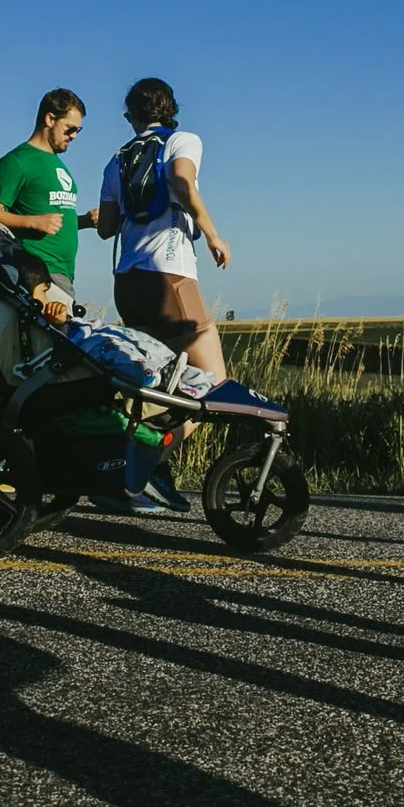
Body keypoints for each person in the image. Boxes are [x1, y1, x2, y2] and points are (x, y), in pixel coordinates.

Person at [96, 78, 228, 513]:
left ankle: (121, 463)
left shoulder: (116, 160)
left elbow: (106, 228)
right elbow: (183, 183)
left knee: (156, 386)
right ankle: (145, 467)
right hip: (170, 276)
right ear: (170, 108)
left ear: (130, 116)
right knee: (214, 384)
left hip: (127, 282)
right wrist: (212, 235)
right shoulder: (183, 140)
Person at [0, 88, 102, 307]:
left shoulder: (57, 163)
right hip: (36, 274)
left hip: (64, 273)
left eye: (78, 130)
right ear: (49, 119)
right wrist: (33, 222)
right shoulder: (16, 162)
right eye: (70, 129)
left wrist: (85, 220)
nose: (74, 136)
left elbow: (55, 218)